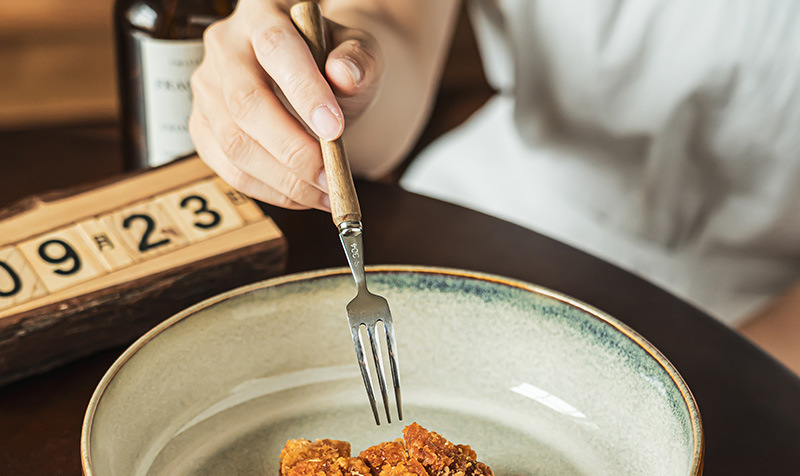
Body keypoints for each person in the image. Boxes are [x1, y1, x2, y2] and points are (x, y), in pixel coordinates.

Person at [189, 0, 800, 375]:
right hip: (506, 224)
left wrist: (728, 385)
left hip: (768, 311)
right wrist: (321, 85)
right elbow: (388, 33)